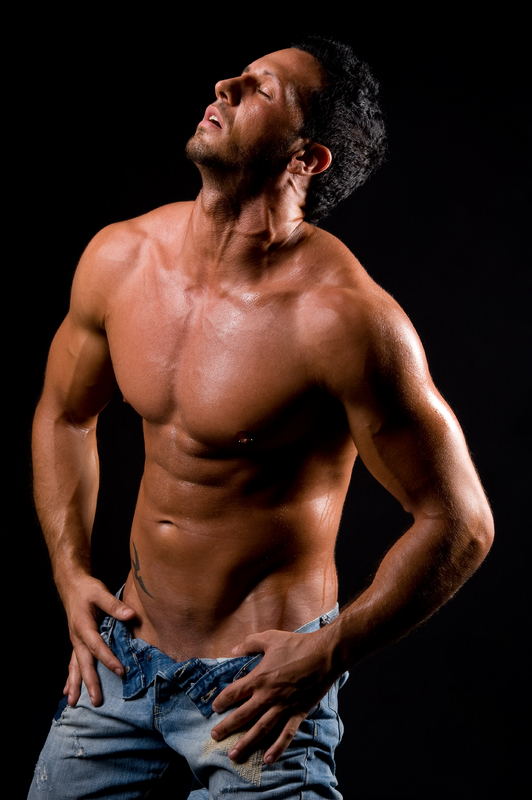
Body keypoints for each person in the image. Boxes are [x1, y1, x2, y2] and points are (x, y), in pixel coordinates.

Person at [28, 36, 494, 799]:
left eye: (262, 89)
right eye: (240, 76)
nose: (226, 85)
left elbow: (461, 522)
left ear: (307, 159)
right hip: (119, 662)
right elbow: (64, 415)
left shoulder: (343, 321)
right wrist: (69, 569)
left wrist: (329, 652)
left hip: (259, 691)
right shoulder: (121, 259)